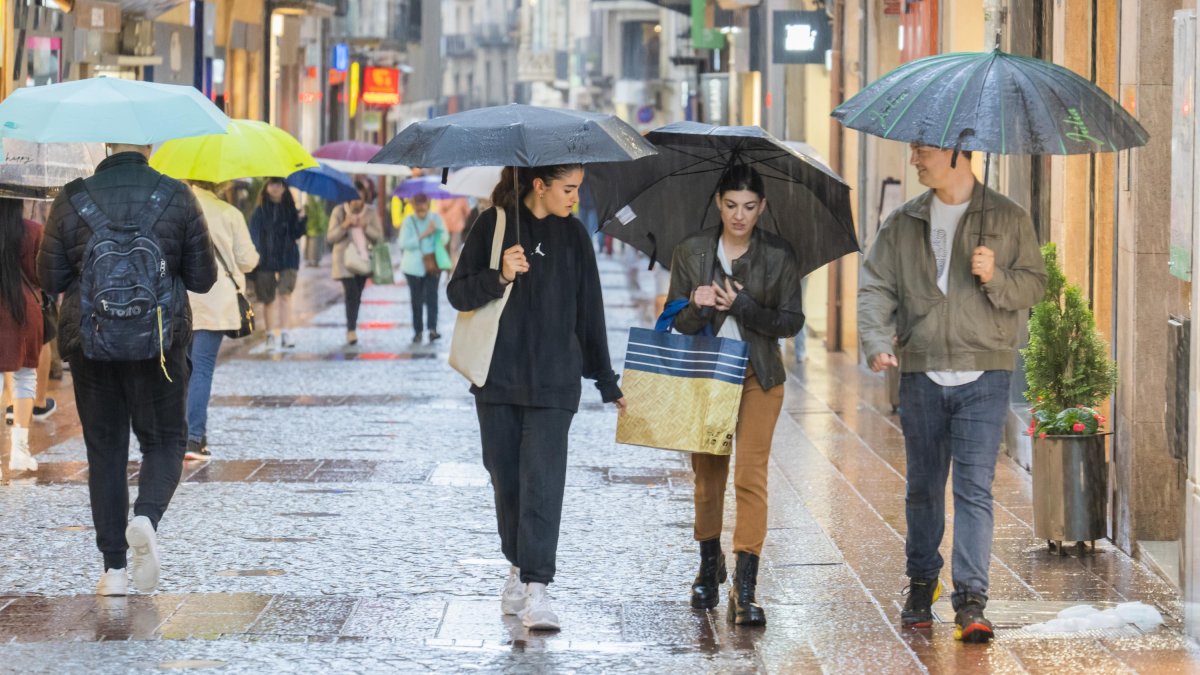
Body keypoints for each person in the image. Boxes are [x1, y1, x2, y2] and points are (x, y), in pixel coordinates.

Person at [858, 144, 1046, 643]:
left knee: (974, 489)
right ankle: (922, 583)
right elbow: (876, 286)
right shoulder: (903, 222)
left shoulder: (1008, 218)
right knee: (922, 487)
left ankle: (972, 599)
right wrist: (877, 341)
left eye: (923, 151)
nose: (915, 160)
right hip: (920, 372)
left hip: (985, 374)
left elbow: (1034, 287)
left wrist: (995, 276)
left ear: (959, 152)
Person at [447, 164, 627, 631]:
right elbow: (458, 294)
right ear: (539, 185)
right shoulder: (493, 225)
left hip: (554, 382)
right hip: (498, 379)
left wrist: (607, 381)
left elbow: (591, 314)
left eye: (578, 190)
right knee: (507, 484)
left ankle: (538, 589)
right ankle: (516, 567)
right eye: (568, 189)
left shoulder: (575, 238)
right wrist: (500, 274)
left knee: (543, 483)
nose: (575, 199)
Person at [40, 142, 217, 597]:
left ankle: (114, 571)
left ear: (104, 149)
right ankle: (146, 518)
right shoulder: (177, 195)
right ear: (147, 148)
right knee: (165, 441)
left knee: (105, 451)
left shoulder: (71, 197)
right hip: (159, 345)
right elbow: (202, 278)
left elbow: (51, 279)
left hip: (92, 345)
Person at [667, 165, 805, 627]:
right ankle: (710, 563)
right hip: (706, 374)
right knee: (708, 476)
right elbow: (672, 323)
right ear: (718, 202)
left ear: (761, 207)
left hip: (758, 375)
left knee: (750, 475)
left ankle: (745, 588)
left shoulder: (779, 255)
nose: (739, 216)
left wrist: (743, 307)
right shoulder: (690, 251)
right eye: (730, 206)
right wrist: (695, 305)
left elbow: (790, 322)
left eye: (749, 207)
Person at [183, 180, 260, 461]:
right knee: (202, 368)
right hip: (216, 302)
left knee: (184, 370)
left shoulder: (178, 208)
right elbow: (248, 260)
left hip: (183, 299)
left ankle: (178, 436)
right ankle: (194, 439)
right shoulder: (229, 213)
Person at [0, 198, 44, 473]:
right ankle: (20, 451)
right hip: (23, 310)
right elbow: (39, 276)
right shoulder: (33, 230)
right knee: (25, 377)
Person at [248, 177, 305, 351]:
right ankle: (271, 335)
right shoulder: (259, 212)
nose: (275, 188)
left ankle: (286, 333)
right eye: (272, 184)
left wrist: (302, 219)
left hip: (288, 257)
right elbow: (254, 236)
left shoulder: (290, 210)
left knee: (285, 294)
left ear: (284, 188)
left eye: (279, 184)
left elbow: (297, 233)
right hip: (265, 258)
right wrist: (255, 258)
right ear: (266, 188)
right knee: (268, 299)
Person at [328, 179, 384, 346]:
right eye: (353, 198)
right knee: (351, 293)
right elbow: (331, 237)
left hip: (364, 261)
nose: (356, 202)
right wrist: (345, 225)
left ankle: (352, 326)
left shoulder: (370, 213)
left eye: (359, 198)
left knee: (357, 295)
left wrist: (366, 227)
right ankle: (351, 330)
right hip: (344, 263)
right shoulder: (339, 211)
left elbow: (379, 238)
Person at [400, 193, 447, 344]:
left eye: (423, 207)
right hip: (413, 267)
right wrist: (423, 234)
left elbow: (445, 238)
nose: (421, 210)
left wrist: (436, 231)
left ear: (428, 204)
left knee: (432, 297)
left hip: (432, 264)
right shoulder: (408, 221)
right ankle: (418, 331)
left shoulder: (435, 219)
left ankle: (432, 329)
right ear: (413, 206)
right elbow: (403, 243)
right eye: (418, 207)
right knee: (416, 299)